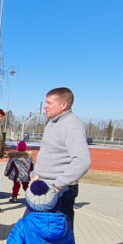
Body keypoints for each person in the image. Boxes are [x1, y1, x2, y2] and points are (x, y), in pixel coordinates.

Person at [31, 87, 91, 228]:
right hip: (42, 187)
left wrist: (58, 185)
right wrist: (35, 174)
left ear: (63, 105)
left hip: (59, 192)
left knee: (60, 237)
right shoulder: (52, 123)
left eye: (49, 103)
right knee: (32, 232)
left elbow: (82, 161)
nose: (45, 106)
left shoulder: (72, 126)